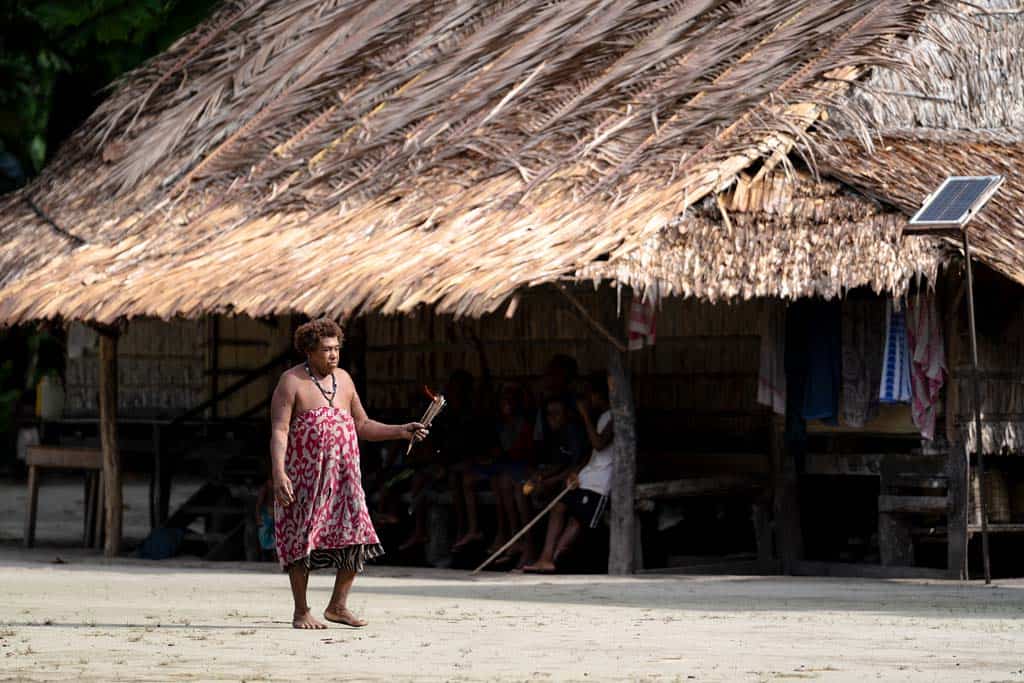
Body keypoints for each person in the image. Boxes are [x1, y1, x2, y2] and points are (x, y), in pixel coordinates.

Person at [271, 318, 427, 630]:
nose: (333, 354)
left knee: (358, 535)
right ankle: (301, 610)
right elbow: (279, 429)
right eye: (326, 349)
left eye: (336, 348)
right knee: (301, 539)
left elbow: (363, 425)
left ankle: (337, 606)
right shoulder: (291, 382)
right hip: (305, 478)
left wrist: (401, 431)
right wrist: (278, 473)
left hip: (345, 479)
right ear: (310, 351)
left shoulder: (345, 380)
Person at [523, 373, 614, 573]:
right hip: (587, 478)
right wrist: (576, 472)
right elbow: (590, 455)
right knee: (558, 507)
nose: (588, 400)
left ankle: (553, 560)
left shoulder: (617, 417)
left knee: (576, 521)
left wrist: (584, 415)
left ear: (599, 396)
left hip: (600, 484)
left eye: (591, 395)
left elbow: (598, 444)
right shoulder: (601, 417)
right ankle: (546, 558)